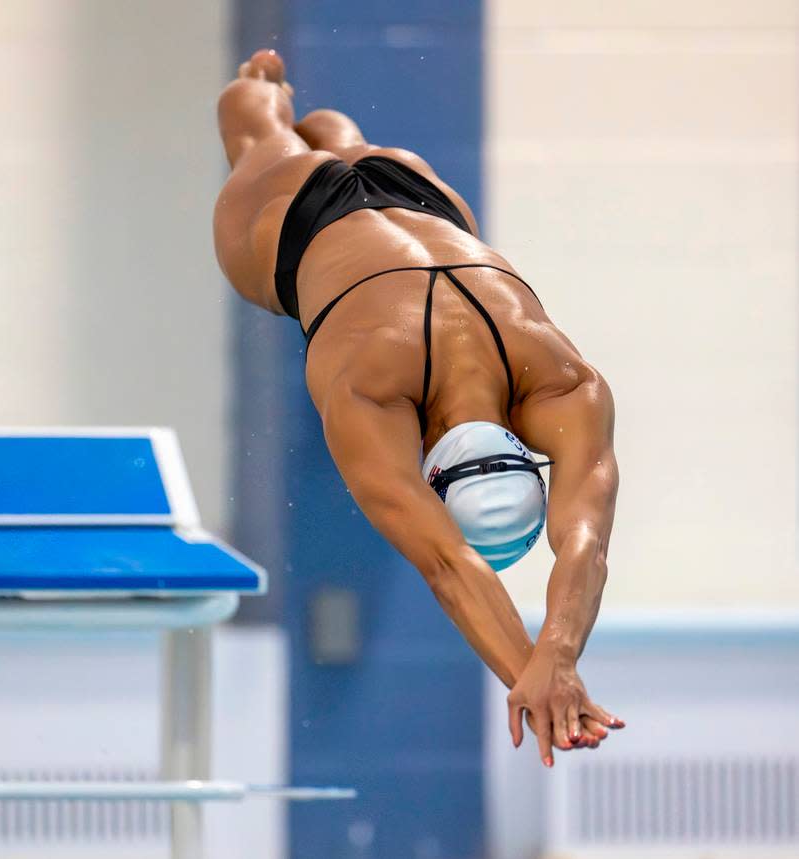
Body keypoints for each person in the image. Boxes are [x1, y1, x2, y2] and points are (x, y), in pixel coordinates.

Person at [213, 49, 625, 767]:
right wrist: (538, 670)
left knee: (340, 144)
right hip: (298, 225)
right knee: (253, 136)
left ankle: (310, 115)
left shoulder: (560, 381)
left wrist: (552, 662)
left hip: (424, 200)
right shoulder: (370, 390)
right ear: (432, 472)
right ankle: (261, 95)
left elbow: (584, 543)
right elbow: (445, 560)